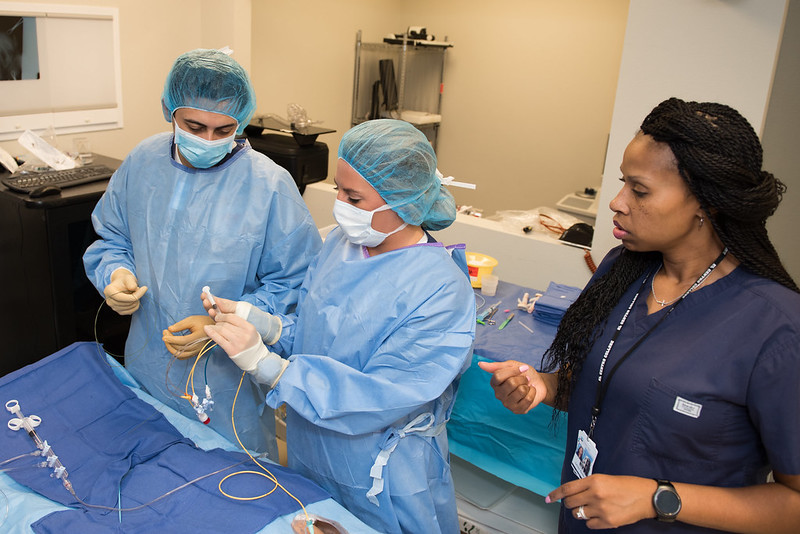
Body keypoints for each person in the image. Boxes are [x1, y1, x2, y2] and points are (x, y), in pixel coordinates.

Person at [480, 97, 800, 533]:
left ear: (707, 202)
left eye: (640, 190)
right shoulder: (622, 271)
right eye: (622, 184)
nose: (617, 202)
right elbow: (613, 386)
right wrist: (546, 386)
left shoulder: (775, 327)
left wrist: (656, 498)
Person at [202, 119, 476, 534]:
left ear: (403, 202)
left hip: (379, 473)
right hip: (311, 448)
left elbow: (381, 396)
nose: (340, 205)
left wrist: (270, 368)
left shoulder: (440, 290)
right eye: (338, 189)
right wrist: (264, 325)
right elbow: (315, 333)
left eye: (354, 197)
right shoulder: (340, 245)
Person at [83, 48, 322, 459]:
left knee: (230, 483)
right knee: (152, 469)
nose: (209, 140)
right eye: (194, 126)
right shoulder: (143, 162)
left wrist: (221, 325)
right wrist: (115, 275)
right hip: (147, 363)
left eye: (224, 129)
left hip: (228, 386)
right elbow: (112, 238)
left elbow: (295, 285)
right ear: (169, 110)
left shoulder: (269, 186)